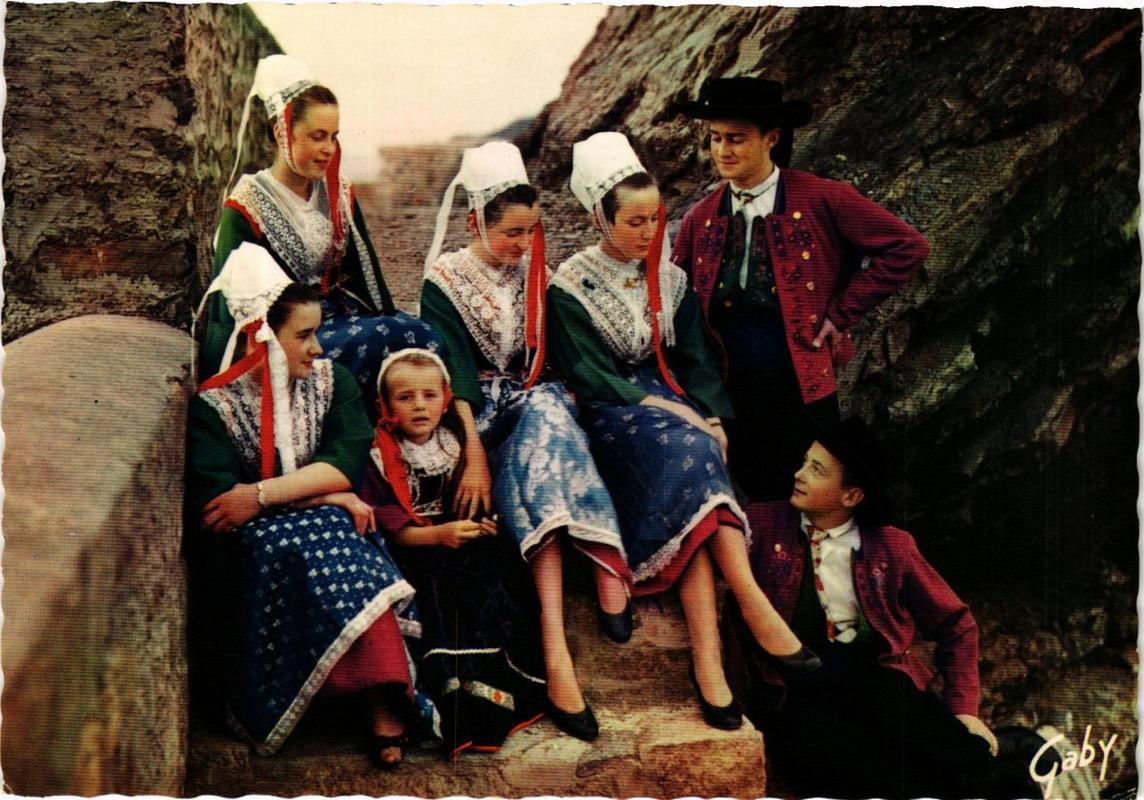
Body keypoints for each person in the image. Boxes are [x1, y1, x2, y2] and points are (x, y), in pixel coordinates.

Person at [547, 132, 820, 733]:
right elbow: (589, 375)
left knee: (699, 461)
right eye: (634, 222)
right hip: (614, 414)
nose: (649, 233)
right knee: (692, 450)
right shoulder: (570, 284)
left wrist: (712, 413)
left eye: (655, 219)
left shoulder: (668, 281)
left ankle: (710, 660)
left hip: (673, 409)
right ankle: (748, 607)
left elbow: (695, 358)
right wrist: (682, 415)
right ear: (600, 219)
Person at [187, 243, 439, 766]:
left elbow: (343, 465)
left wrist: (268, 494)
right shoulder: (215, 408)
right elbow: (220, 508)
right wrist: (319, 494)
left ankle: (383, 692)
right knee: (327, 527)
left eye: (316, 332)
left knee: (338, 525)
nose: (317, 348)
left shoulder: (332, 383)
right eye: (303, 335)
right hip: (254, 551)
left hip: (308, 521)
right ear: (258, 336)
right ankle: (353, 695)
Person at [420, 141, 631, 741]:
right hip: (476, 417)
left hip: (535, 405)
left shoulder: (536, 275)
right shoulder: (445, 282)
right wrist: (474, 457)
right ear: (474, 224)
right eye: (511, 233)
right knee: (545, 420)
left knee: (547, 414)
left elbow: (557, 354)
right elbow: (455, 373)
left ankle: (560, 653)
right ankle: (581, 608)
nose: (523, 244)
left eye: (530, 232)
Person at [723, 416, 1048, 798]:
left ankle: (1012, 772)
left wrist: (964, 709)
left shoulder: (891, 546)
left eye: (817, 470)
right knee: (866, 772)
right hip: (792, 691)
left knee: (957, 753)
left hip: (873, 679)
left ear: (851, 497)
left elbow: (956, 625)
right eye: (805, 462)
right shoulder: (760, 526)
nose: (799, 474)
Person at [671, 76, 929, 501]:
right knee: (754, 498)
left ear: (771, 138)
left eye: (736, 138)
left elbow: (907, 247)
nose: (723, 150)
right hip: (729, 389)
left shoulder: (823, 199)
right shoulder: (701, 218)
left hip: (801, 384)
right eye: (715, 138)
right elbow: (674, 297)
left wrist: (840, 314)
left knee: (812, 494)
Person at [201, 54, 439, 413]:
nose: (329, 149)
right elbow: (228, 306)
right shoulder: (246, 207)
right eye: (317, 137)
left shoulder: (337, 193)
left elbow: (366, 274)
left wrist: (389, 315)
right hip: (290, 335)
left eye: (333, 136)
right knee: (379, 338)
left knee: (422, 334)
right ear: (282, 134)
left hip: (341, 314)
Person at [361, 348, 546, 758]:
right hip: (414, 551)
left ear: (446, 399)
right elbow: (388, 529)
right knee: (440, 591)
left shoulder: (453, 445)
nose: (419, 406)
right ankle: (447, 702)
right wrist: (438, 536)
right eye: (405, 397)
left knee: (493, 571)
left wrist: (481, 526)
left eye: (429, 395)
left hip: (454, 543)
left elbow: (472, 507)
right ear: (385, 405)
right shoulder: (380, 455)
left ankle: (493, 696)